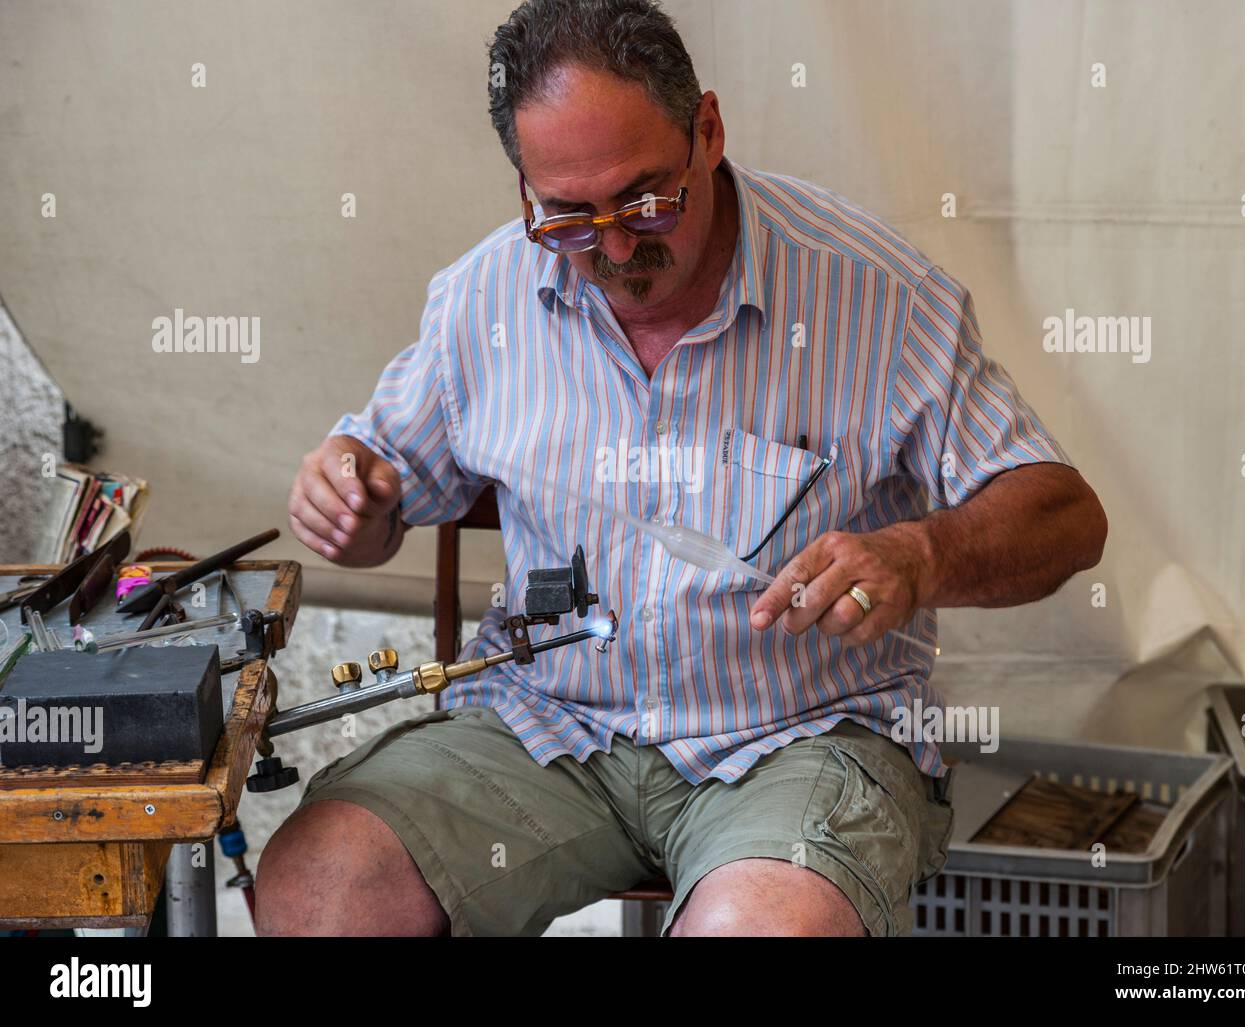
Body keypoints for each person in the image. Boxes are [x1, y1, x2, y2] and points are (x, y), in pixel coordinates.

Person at [258, 0, 1106, 937]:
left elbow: (1065, 515)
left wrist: (919, 554)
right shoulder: (482, 298)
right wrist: (349, 498)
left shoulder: (875, 295)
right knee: (319, 889)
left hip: (796, 737)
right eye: (570, 217)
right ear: (524, 183)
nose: (618, 246)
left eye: (647, 199)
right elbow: (379, 498)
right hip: (544, 727)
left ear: (707, 128)